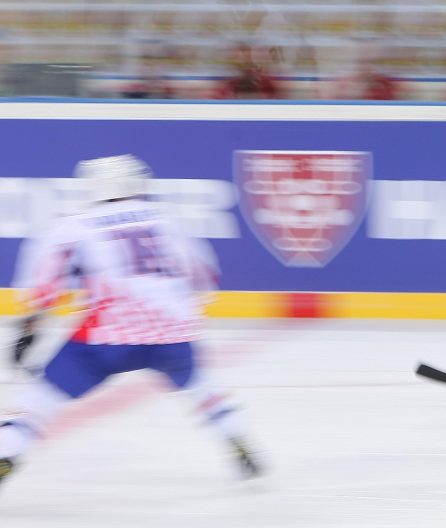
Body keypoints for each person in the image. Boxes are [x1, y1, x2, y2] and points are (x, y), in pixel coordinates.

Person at [0, 155, 261, 488]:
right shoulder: (168, 223)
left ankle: (8, 451)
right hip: (171, 332)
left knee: (40, 397)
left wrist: (28, 332)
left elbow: (45, 286)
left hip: (105, 337)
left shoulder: (75, 226)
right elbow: (204, 276)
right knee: (200, 384)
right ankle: (235, 435)